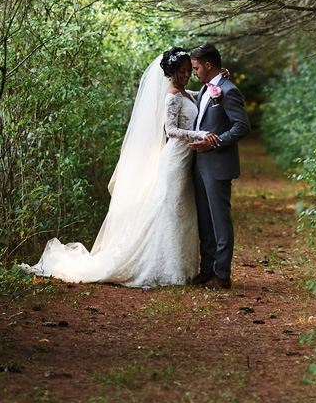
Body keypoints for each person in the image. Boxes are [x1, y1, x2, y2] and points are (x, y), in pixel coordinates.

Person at [20, 47, 210, 287]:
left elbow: (202, 93)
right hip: (175, 159)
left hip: (185, 159)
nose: (186, 75)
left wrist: (217, 79)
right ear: (171, 72)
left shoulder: (184, 93)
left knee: (180, 211)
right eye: (182, 71)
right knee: (170, 210)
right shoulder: (172, 95)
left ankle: (179, 267)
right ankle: (164, 269)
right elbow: (171, 131)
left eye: (188, 71)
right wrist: (199, 134)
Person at [186, 43, 251, 289]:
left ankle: (222, 275)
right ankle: (207, 269)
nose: (194, 73)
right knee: (205, 220)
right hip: (199, 164)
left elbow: (242, 126)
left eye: (196, 68)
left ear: (208, 65)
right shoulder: (207, 89)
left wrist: (216, 143)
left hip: (218, 164)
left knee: (220, 221)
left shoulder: (228, 90)